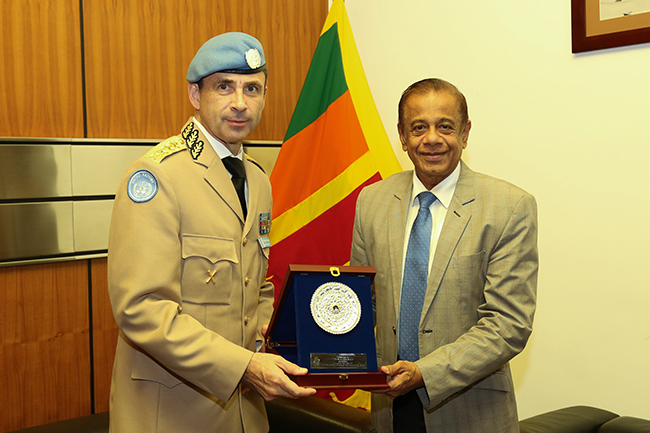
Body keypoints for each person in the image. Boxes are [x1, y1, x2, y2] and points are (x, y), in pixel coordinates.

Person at [108, 32, 315, 433]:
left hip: (244, 412)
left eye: (252, 89)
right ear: (195, 94)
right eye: (224, 86)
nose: (240, 103)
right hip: (171, 412)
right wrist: (245, 367)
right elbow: (142, 309)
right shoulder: (157, 176)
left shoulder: (258, 180)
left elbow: (257, 287)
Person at [350, 78, 538, 433]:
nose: (432, 138)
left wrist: (425, 373)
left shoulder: (510, 207)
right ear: (402, 137)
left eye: (445, 126)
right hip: (389, 408)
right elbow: (361, 300)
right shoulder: (371, 201)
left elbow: (508, 324)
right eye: (418, 127)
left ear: (465, 134)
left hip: (469, 410)